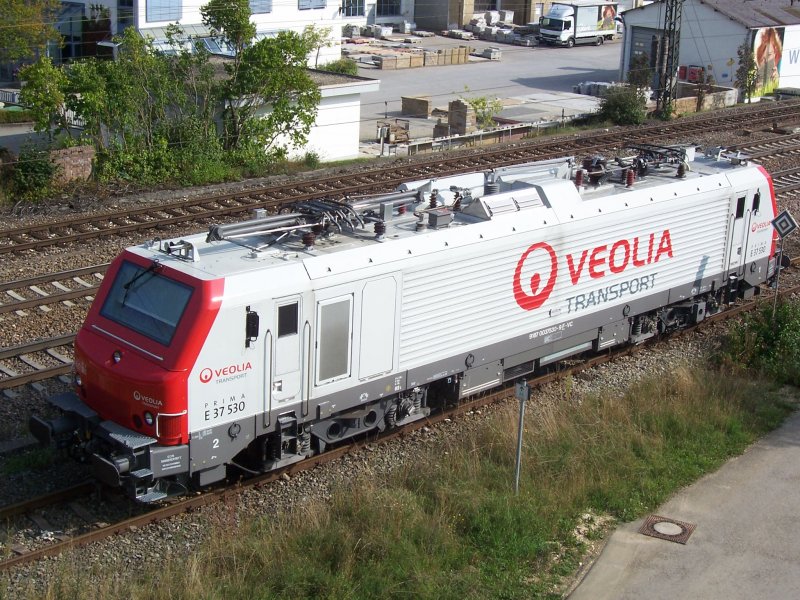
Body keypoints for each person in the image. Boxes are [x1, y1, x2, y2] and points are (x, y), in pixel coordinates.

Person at [754, 27, 783, 95]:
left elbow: (778, 53)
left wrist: (774, 66)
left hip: (769, 68)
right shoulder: (761, 43)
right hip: (764, 69)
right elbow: (758, 56)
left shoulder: (772, 43)